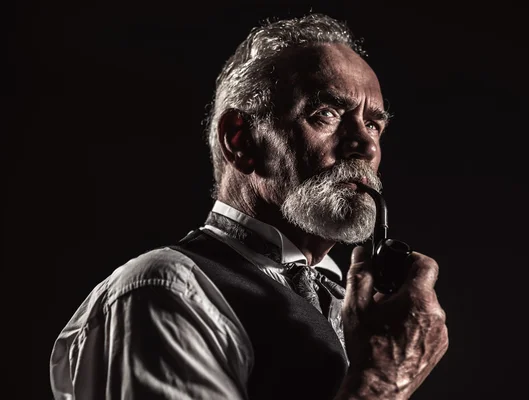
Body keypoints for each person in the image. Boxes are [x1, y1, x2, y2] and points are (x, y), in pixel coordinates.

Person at [50, 13, 448, 400]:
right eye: (326, 113)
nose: (366, 145)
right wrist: (381, 384)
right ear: (239, 139)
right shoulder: (164, 291)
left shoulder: (358, 310)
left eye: (374, 125)